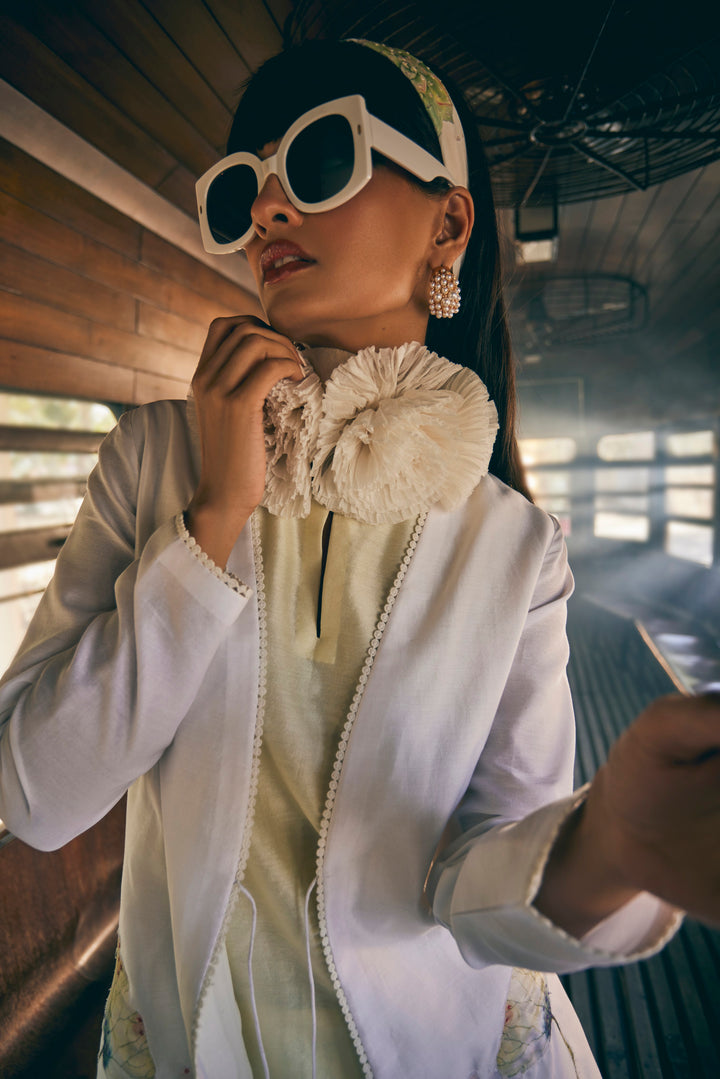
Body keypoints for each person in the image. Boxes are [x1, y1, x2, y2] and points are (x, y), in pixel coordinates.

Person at [0, 38, 718, 1079]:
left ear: (449, 224)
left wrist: (608, 849)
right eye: (242, 187)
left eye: (320, 157)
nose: (267, 209)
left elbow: (482, 878)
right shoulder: (153, 460)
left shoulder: (517, 546)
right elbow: (37, 797)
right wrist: (212, 517)